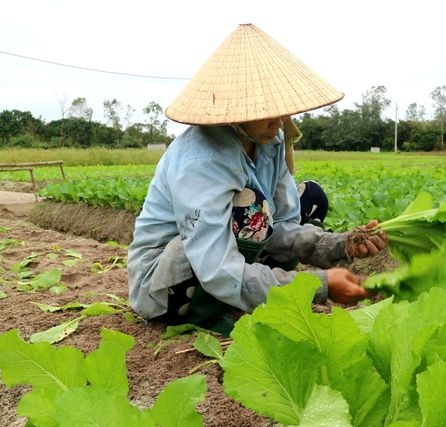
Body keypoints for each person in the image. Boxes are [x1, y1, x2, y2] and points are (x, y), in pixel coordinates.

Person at [127, 23, 387, 335]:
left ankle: (249, 295)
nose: (278, 120)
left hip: (225, 257)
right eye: (266, 110)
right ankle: (206, 314)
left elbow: (281, 226)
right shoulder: (200, 160)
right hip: (166, 285)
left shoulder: (269, 140)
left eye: (282, 109)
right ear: (237, 109)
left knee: (309, 198)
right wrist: (317, 287)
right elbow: (217, 268)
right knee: (251, 210)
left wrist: (341, 244)